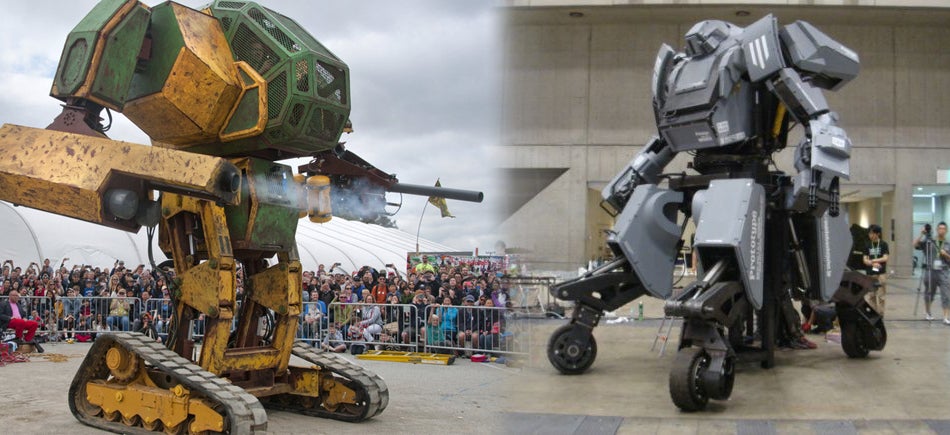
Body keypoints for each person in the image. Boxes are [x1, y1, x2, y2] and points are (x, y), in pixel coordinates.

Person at [915, 222, 950, 323]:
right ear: (936, 229)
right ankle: (928, 313)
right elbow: (915, 245)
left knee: (946, 294)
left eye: (943, 229)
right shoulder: (929, 241)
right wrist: (921, 234)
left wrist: (946, 254)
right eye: (940, 228)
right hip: (930, 271)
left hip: (944, 271)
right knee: (929, 293)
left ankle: (946, 317)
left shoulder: (948, 244)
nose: (941, 230)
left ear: (946, 231)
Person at [863, 224, 889, 315]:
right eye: (869, 233)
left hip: (881, 273)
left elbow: (885, 258)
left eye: (872, 233)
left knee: (881, 295)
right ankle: (873, 314)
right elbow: (865, 260)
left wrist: (874, 260)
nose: (870, 235)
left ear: (878, 234)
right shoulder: (867, 245)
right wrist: (873, 263)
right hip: (870, 273)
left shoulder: (883, 244)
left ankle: (881, 314)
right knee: (871, 295)